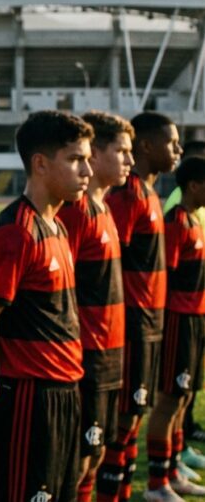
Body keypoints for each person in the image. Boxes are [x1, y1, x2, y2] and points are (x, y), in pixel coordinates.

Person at [0, 110, 93, 501]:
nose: (87, 171)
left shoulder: (59, 226)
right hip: (29, 398)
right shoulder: (15, 231)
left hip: (65, 388)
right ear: (41, 164)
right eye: (76, 159)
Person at [97, 112, 182, 501]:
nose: (177, 150)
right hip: (129, 323)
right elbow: (111, 262)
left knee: (133, 415)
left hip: (150, 322)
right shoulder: (126, 195)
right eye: (171, 142)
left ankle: (131, 490)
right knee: (120, 420)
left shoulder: (150, 193)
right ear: (148, 145)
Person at [56, 111, 134, 501]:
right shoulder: (75, 212)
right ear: (96, 154)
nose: (129, 161)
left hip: (109, 354)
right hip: (85, 356)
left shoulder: (105, 208)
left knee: (97, 451)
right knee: (79, 458)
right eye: (121, 151)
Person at [143, 156, 205, 500]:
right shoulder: (176, 222)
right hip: (177, 322)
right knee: (169, 400)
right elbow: (163, 277)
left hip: (194, 320)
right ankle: (157, 484)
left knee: (182, 400)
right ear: (194, 185)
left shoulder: (194, 220)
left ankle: (172, 469)